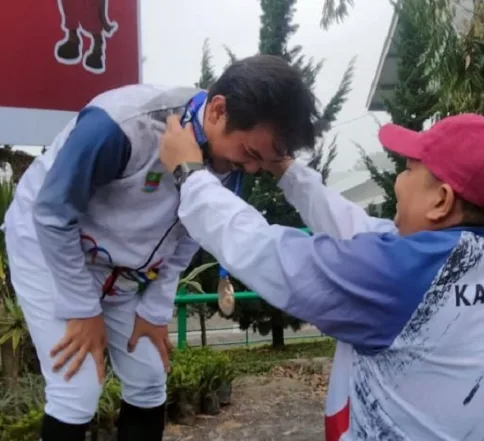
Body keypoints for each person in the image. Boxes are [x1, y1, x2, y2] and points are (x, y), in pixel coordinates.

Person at [159, 112, 484, 440]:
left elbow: (267, 253)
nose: (398, 180)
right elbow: (361, 231)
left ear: (441, 201)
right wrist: (287, 170)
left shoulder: (398, 276)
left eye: (409, 169)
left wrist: (190, 176)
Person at [3, 54, 317, 441]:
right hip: (47, 240)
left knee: (150, 378)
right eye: (251, 155)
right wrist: (82, 309)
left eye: (263, 162)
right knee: (77, 386)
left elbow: (189, 236)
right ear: (218, 110)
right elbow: (51, 214)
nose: (251, 170)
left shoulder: (231, 162)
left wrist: (153, 311)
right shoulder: (121, 124)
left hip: (121, 265)